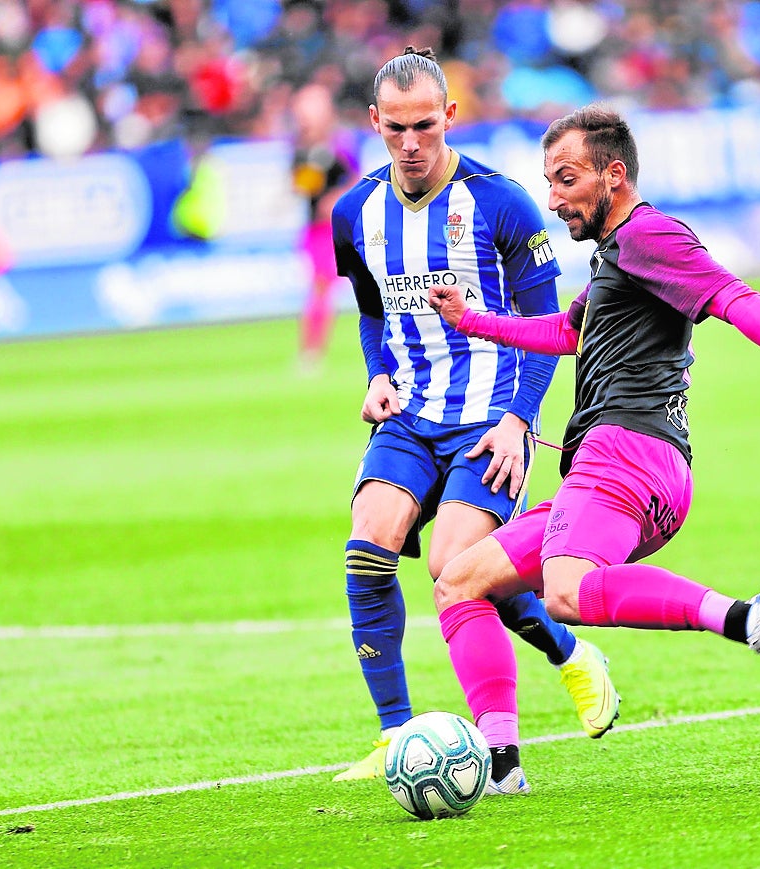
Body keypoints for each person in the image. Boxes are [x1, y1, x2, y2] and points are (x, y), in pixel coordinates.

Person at [427, 104, 760, 793]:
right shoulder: (618, 256)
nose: (553, 197)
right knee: (460, 579)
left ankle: (747, 616)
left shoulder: (651, 236)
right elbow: (568, 334)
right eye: (547, 181)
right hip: (625, 467)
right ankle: (502, 765)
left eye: (566, 179)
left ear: (612, 176)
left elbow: (734, 297)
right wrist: (468, 319)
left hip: (625, 456)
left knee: (563, 591)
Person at [329, 49, 620, 786]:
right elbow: (372, 309)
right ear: (375, 123)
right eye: (395, 127)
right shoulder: (353, 211)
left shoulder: (500, 202)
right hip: (409, 416)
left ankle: (570, 657)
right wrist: (377, 374)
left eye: (424, 124)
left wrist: (520, 420)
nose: (410, 141)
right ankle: (395, 735)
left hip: (488, 418)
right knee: (366, 548)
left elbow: (550, 323)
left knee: (453, 569)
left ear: (449, 116)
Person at [291, 82, 357, 373]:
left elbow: (357, 179)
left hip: (335, 229)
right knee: (320, 288)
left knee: (324, 288)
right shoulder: (303, 150)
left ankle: (312, 352)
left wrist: (335, 198)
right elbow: (302, 188)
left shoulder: (337, 145)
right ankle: (312, 350)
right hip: (315, 231)